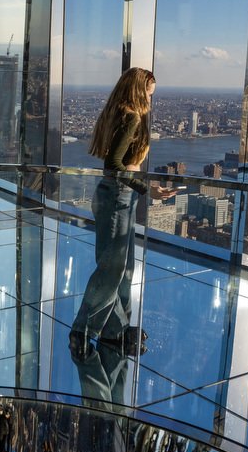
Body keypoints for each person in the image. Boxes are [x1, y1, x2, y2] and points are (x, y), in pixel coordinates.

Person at [70, 67, 175, 357]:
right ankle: (83, 329)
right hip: (119, 195)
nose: (150, 102)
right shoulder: (130, 117)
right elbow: (114, 165)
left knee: (123, 268)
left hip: (116, 195)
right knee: (113, 268)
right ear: (138, 91)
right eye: (148, 95)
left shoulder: (114, 112)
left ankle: (116, 330)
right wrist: (147, 189)